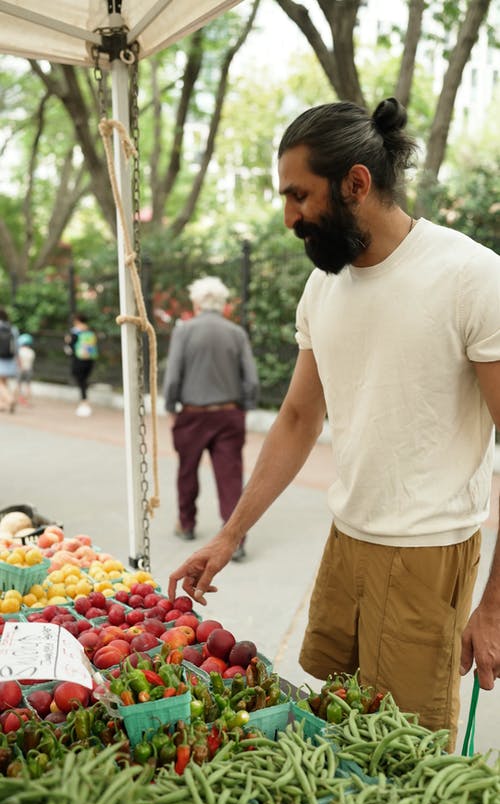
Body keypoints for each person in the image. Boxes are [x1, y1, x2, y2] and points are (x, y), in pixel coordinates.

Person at [168, 98, 500, 751]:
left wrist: (492, 605)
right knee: (339, 730)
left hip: (427, 555)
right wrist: (229, 534)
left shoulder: (471, 276)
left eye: (300, 195)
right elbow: (296, 417)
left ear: (356, 182)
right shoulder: (323, 289)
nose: (288, 217)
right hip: (346, 539)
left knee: (403, 755)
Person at [164, 276, 259, 560]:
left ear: (196, 302)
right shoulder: (236, 333)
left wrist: (171, 405)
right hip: (229, 413)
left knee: (187, 470)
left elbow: (173, 376)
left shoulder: (185, 331)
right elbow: (251, 379)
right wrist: (245, 406)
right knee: (230, 476)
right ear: (222, 303)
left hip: (193, 414)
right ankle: (236, 539)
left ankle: (187, 523)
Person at [64, 314, 98, 417]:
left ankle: (84, 403)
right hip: (90, 359)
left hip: (79, 360)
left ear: (77, 320)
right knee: (84, 380)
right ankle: (84, 402)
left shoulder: (75, 332)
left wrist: (68, 341)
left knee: (81, 380)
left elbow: (70, 348)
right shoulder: (90, 330)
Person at [0, 307, 18, 413]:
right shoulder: (12, 328)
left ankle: (9, 399)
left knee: (0, 383)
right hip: (10, 358)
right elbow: (17, 345)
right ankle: (2, 404)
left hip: (0, 358)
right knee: (4, 381)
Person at [16, 333, 36, 406]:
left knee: (19, 385)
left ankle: (18, 399)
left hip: (21, 369)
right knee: (28, 385)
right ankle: (26, 400)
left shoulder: (20, 351)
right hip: (29, 369)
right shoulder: (32, 352)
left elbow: (18, 361)